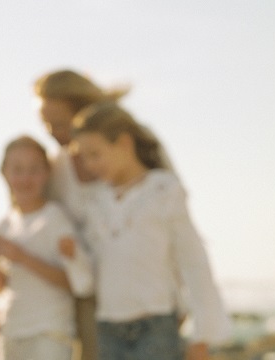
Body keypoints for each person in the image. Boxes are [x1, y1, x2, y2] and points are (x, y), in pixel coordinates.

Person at [71, 103, 230, 360]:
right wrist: (72, 256)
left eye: (95, 154)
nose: (89, 165)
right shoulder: (95, 201)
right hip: (108, 328)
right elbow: (88, 277)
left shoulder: (163, 191)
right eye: (84, 157)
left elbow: (193, 263)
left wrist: (202, 335)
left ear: (123, 143)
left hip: (155, 327)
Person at [33, 69, 130, 360]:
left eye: (59, 124)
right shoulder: (55, 170)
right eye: (46, 124)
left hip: (138, 290)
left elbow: (172, 223)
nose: (52, 133)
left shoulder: (131, 149)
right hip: (85, 299)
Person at [0, 135, 94, 360]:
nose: (26, 178)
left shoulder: (56, 218)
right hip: (11, 328)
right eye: (18, 169)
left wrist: (23, 258)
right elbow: (2, 287)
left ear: (47, 173)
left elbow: (75, 283)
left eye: (34, 169)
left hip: (49, 331)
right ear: (4, 173)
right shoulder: (4, 225)